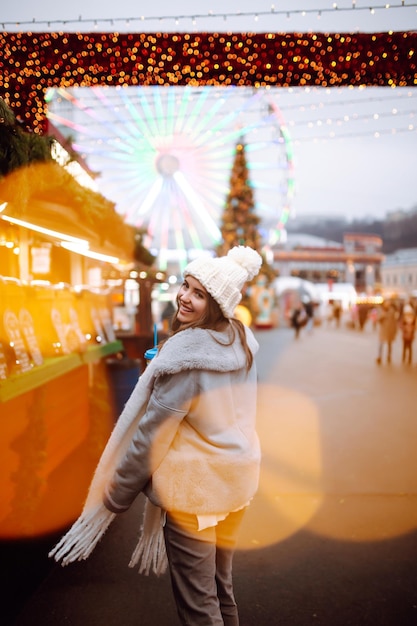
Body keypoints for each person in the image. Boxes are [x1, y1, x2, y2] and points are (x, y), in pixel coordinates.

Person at [50, 245, 263, 626]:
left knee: (200, 608)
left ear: (216, 304)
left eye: (199, 294)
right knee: (220, 588)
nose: (184, 297)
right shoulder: (238, 340)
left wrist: (114, 495)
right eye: (186, 286)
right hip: (236, 479)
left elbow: (151, 436)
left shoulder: (187, 356)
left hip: (196, 491)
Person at [376, 299, 398, 365]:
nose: (388, 303)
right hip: (383, 329)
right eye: (386, 302)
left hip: (390, 330)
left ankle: (389, 356)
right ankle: (379, 356)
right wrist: (383, 315)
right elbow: (378, 319)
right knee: (381, 344)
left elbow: (394, 321)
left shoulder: (392, 310)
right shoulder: (381, 310)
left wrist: (395, 330)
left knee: (389, 344)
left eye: (389, 302)